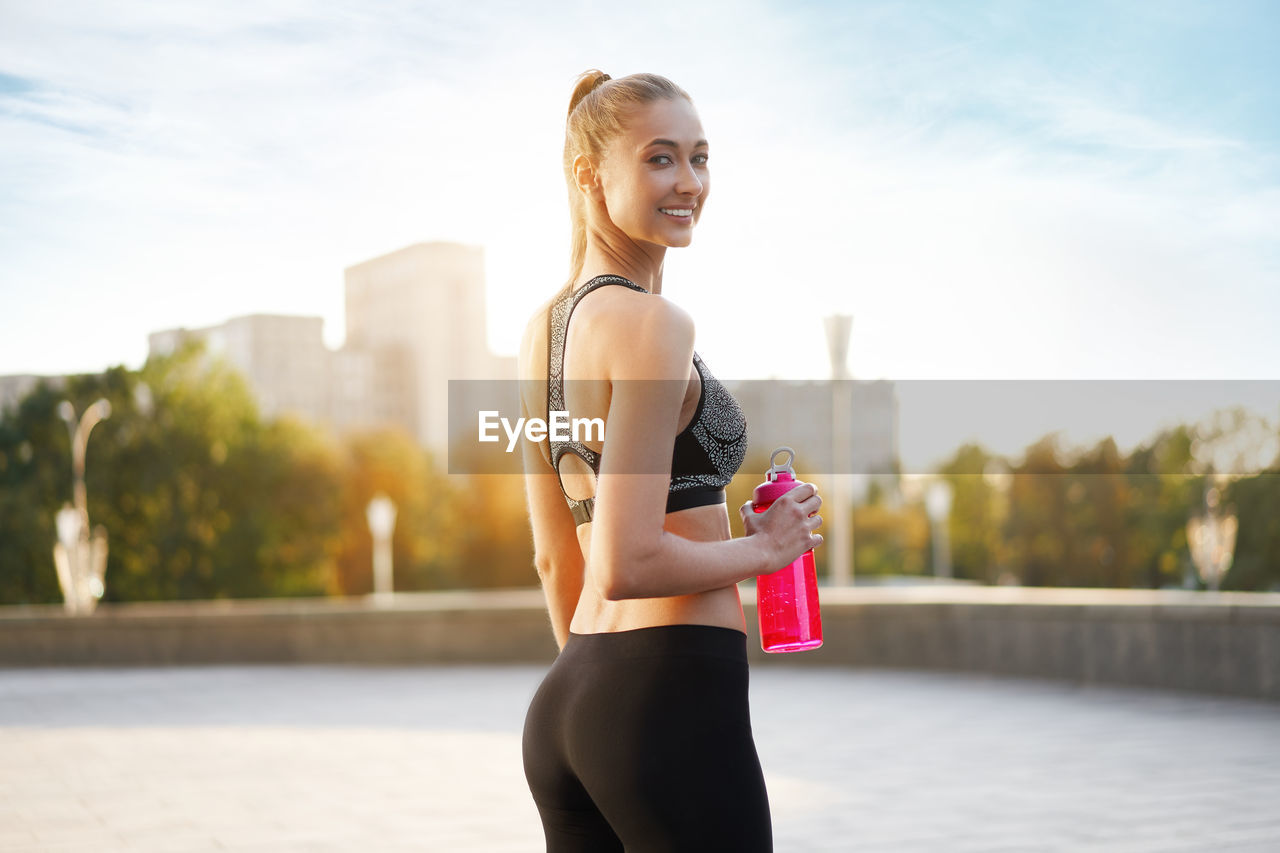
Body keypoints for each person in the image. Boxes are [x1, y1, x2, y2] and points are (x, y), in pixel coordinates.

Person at [517, 69, 824, 852]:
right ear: (590, 175)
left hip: (572, 701)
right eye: (660, 158)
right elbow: (623, 561)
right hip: (669, 692)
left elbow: (559, 559)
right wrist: (767, 547)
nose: (689, 182)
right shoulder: (654, 324)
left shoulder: (543, 331)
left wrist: (601, 702)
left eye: (699, 157)